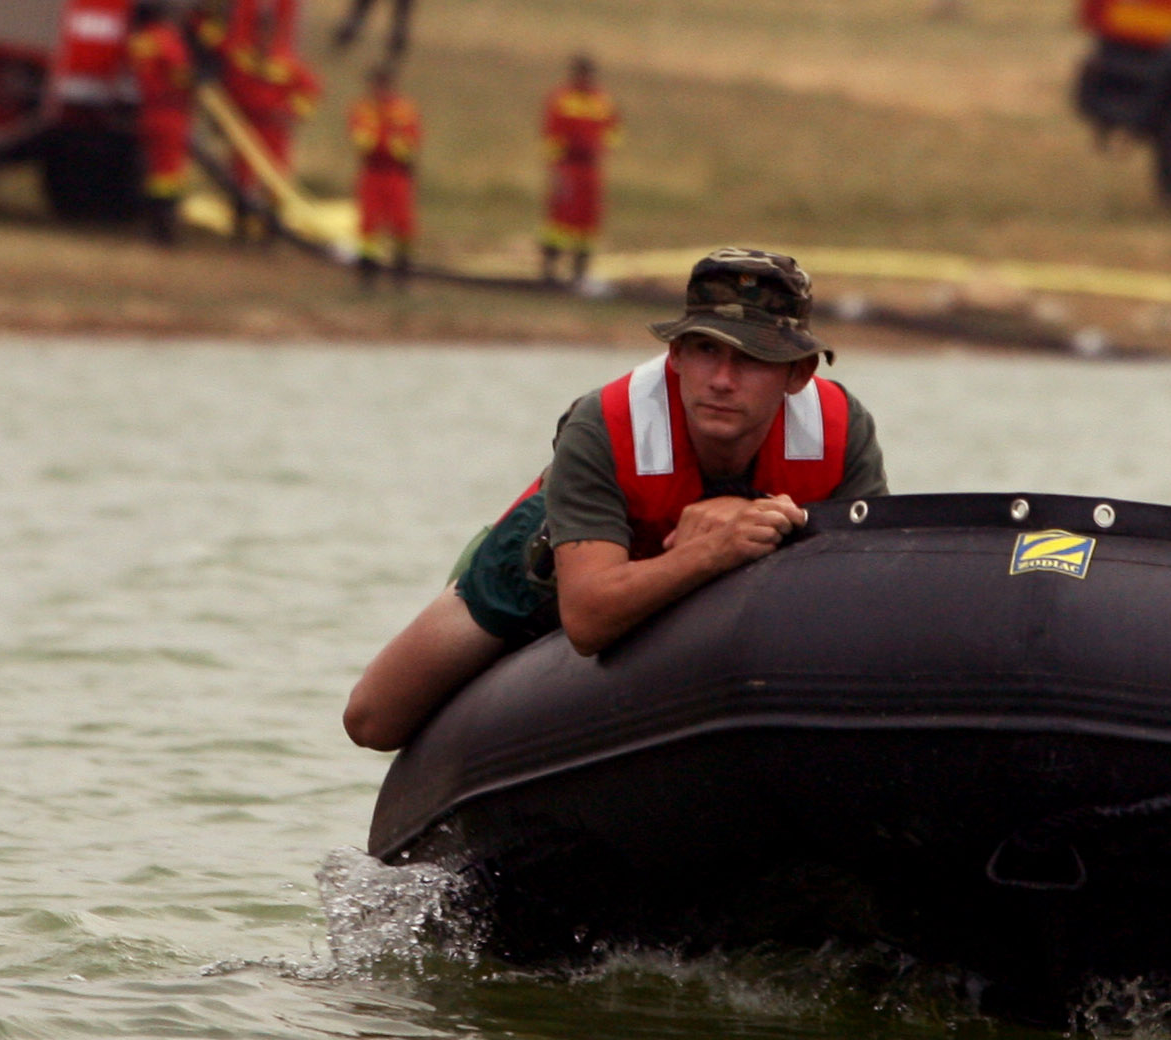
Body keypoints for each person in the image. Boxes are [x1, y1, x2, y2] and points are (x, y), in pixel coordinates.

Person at [344, 248, 886, 751]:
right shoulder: (604, 425)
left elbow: (862, 594)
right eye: (706, 350)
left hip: (708, 559)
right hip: (550, 558)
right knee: (372, 719)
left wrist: (758, 527)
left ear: (798, 373)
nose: (722, 380)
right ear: (676, 354)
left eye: (753, 358)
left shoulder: (841, 431)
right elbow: (587, 620)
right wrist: (713, 551)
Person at [220, 4, 321, 240]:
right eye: (261, 29)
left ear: (275, 32)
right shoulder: (242, 58)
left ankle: (271, 230)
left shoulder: (287, 63)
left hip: (274, 129)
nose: (264, 35)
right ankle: (240, 225)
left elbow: (310, 90)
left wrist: (290, 113)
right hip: (248, 126)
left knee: (274, 178)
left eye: (268, 30)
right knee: (242, 175)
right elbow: (229, 86)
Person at [537, 55, 620, 284]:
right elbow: (551, 133)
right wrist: (556, 166)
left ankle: (580, 271)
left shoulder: (602, 101)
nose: (586, 79)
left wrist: (603, 148)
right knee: (560, 218)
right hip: (568, 166)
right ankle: (549, 269)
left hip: (591, 169)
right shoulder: (562, 99)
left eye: (588, 74)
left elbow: (613, 130)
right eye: (582, 74)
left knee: (588, 219)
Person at [125, 0, 197, 245]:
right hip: (170, 113)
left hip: (148, 111)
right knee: (168, 173)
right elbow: (180, 76)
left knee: (154, 171)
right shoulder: (167, 41)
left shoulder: (140, 40)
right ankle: (164, 228)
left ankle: (153, 223)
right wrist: (197, 81)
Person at [348, 65, 421, 285]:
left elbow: (409, 144)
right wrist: (388, 135)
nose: (380, 90)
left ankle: (402, 267)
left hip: (396, 173)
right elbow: (362, 142)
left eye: (384, 85)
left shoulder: (404, 110)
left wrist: (385, 137)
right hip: (372, 172)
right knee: (368, 221)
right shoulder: (362, 110)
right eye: (376, 85)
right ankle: (367, 269)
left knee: (402, 222)